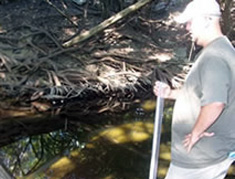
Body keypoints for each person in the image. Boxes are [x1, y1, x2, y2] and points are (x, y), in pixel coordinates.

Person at [153, 0, 235, 178]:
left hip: (199, 159)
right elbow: (201, 95)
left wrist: (196, 133)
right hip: (205, 157)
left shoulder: (214, 57)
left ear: (207, 20)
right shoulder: (221, 49)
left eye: (190, 22)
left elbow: (215, 103)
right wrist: (170, 93)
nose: (187, 27)